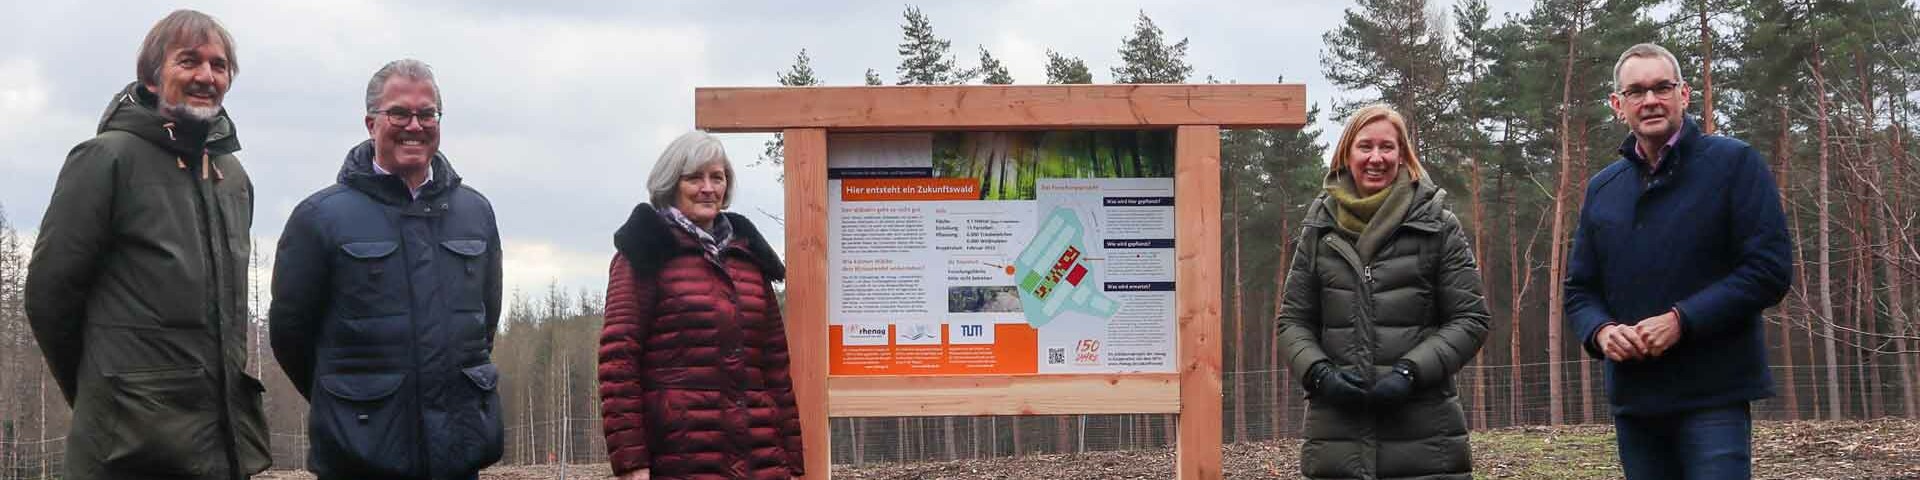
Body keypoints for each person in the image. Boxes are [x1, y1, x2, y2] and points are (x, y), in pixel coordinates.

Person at [23, 10, 271, 479]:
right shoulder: (105, 159)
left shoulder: (232, 177)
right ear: (152, 78)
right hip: (126, 453)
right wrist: (106, 391)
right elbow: (48, 298)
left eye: (219, 66)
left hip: (221, 450)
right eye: (188, 61)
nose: (206, 76)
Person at [269, 59, 505, 480]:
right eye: (399, 112)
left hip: (456, 456)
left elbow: (483, 323)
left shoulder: (476, 212)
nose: (414, 125)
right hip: (361, 459)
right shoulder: (320, 218)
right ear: (370, 122)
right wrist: (354, 401)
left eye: (427, 113)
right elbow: (291, 337)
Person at [1565, 43, 1792, 479]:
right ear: (1618, 105)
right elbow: (1580, 290)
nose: (1650, 100)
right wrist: (1601, 331)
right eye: (1635, 91)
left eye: (1661, 87)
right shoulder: (1603, 188)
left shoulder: (1733, 164)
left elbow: (1768, 270)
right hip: (1636, 401)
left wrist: (1680, 320)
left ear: (1684, 95)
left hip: (1714, 396)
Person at [1275, 104, 1491, 480]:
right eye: (1365, 147)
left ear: (1403, 154)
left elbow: (1470, 319)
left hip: (1426, 437)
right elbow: (1292, 321)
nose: (1376, 158)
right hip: (1337, 436)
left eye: (1387, 147)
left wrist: (1410, 372)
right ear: (1347, 153)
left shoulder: (1438, 225)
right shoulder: (1318, 227)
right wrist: (1320, 374)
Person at [599, 131, 803, 480]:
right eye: (694, 178)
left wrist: (793, 463)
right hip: (678, 459)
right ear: (670, 185)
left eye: (717, 177)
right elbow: (619, 363)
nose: (708, 188)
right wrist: (633, 463)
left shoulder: (750, 260)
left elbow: (776, 370)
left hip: (761, 459)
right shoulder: (644, 252)